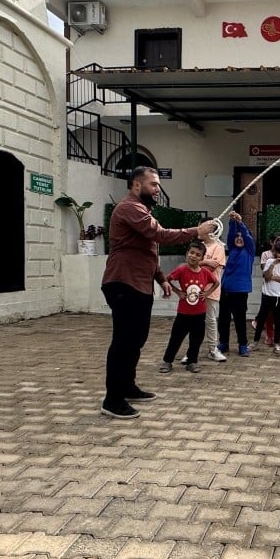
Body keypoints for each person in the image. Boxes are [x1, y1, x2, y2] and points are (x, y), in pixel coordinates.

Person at [102, 166, 215, 420]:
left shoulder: (142, 211)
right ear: (136, 185)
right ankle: (112, 400)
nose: (157, 189)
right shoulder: (129, 208)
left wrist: (161, 278)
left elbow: (148, 249)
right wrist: (196, 232)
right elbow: (160, 236)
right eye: (153, 184)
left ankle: (127, 387)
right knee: (123, 342)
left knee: (136, 340)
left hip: (139, 284)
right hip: (124, 284)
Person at [160, 241, 219, 374]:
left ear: (202, 258)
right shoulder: (181, 269)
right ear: (187, 253)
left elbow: (216, 283)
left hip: (200, 313)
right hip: (184, 313)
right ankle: (167, 361)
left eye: (198, 254)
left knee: (196, 339)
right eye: (191, 253)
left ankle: (192, 361)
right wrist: (177, 291)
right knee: (176, 337)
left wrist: (208, 293)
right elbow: (166, 279)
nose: (193, 256)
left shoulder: (205, 272)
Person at [218, 211, 254, 357]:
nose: (239, 239)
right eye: (237, 237)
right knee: (223, 319)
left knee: (240, 320)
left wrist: (240, 222)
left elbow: (247, 236)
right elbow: (231, 236)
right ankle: (224, 343)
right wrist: (232, 221)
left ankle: (242, 345)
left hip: (240, 292)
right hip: (226, 289)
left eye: (241, 237)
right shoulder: (232, 250)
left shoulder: (249, 251)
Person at [253, 239, 280, 355]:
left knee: (278, 320)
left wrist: (274, 277)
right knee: (261, 319)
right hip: (267, 295)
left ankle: (277, 343)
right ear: (275, 253)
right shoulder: (270, 261)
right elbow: (266, 276)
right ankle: (255, 342)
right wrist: (273, 264)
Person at [200, 219, 228, 363]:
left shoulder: (218, 247)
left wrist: (199, 263)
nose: (199, 229)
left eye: (202, 226)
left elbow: (212, 268)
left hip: (211, 290)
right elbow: (190, 263)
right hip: (194, 289)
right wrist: (204, 262)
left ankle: (212, 349)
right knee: (194, 321)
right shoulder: (198, 246)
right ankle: (192, 350)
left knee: (210, 320)